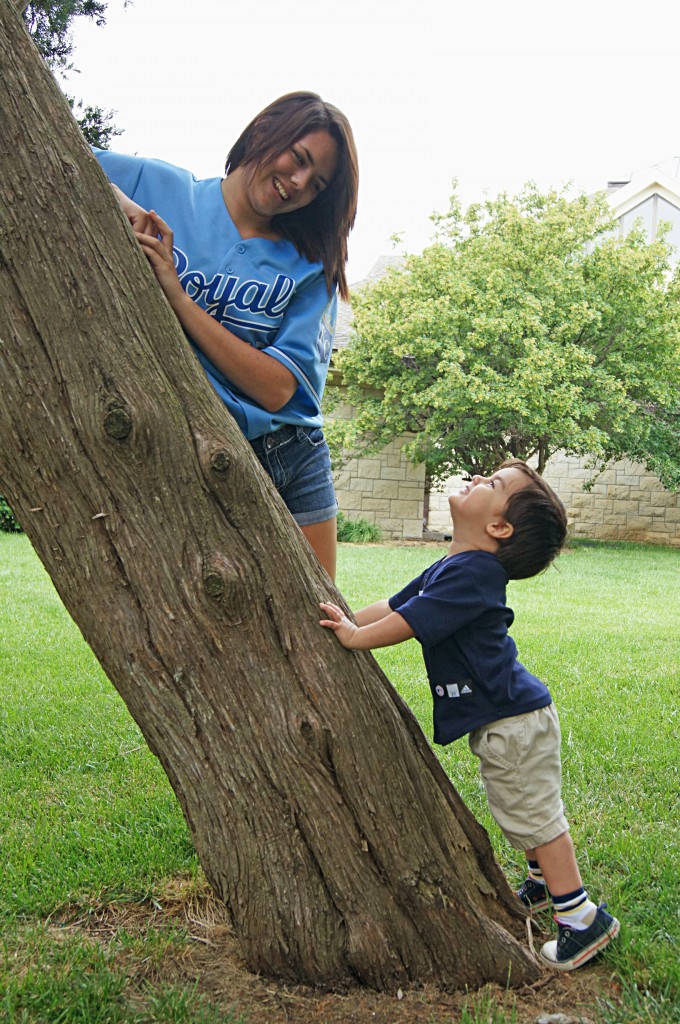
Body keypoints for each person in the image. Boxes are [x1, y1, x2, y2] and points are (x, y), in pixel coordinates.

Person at [319, 459, 620, 971]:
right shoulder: (453, 566)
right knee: (518, 807)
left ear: (499, 527)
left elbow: (408, 623)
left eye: (494, 483)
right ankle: (541, 886)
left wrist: (354, 638)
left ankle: (581, 919)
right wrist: (347, 617)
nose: (479, 478)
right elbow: (395, 605)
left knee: (536, 817)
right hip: (508, 718)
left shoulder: (475, 573)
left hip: (513, 722)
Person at [95, 92, 359, 580]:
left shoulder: (309, 264)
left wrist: (178, 297)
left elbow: (278, 388)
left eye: (317, 183)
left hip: (289, 456)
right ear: (263, 131)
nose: (299, 183)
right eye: (298, 158)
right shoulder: (157, 185)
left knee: (319, 621)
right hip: (187, 444)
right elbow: (53, 154)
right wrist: (119, 200)